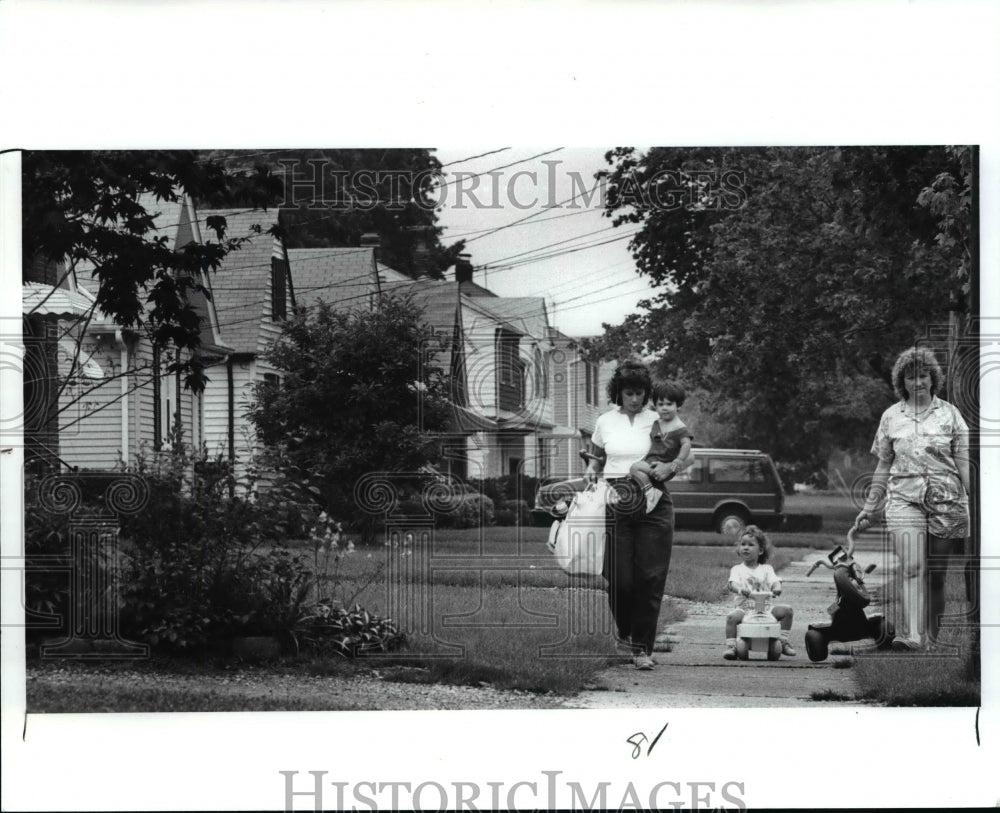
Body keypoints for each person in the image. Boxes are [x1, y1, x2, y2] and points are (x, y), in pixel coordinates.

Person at [855, 347, 970, 651]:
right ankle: (914, 637)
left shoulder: (950, 415)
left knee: (935, 574)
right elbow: (883, 464)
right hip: (903, 500)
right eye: (910, 377)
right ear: (901, 382)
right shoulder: (891, 417)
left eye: (922, 376)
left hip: (947, 501)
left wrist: (979, 501)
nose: (917, 382)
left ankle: (932, 638)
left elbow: (962, 461)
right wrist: (870, 505)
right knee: (912, 568)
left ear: (933, 379)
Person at [586, 361, 679, 671]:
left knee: (650, 578)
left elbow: (687, 452)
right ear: (618, 392)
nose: (636, 399)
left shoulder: (659, 420)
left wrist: (673, 467)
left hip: (654, 498)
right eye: (629, 393)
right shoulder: (604, 422)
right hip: (616, 499)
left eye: (640, 393)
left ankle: (641, 649)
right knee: (619, 578)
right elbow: (596, 459)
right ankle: (625, 632)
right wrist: (590, 471)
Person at [722, 525, 795, 659]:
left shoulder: (767, 569)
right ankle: (731, 647)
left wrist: (777, 588)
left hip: (766, 608)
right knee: (731, 618)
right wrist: (740, 589)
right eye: (743, 544)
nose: (745, 547)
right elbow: (732, 584)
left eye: (750, 545)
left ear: (760, 550)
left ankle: (783, 642)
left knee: (787, 611)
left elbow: (775, 581)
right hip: (744, 608)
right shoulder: (737, 569)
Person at [629, 380, 693, 513]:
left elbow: (686, 445)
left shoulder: (679, 427)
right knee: (637, 470)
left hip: (663, 465)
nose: (664, 407)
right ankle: (648, 490)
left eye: (669, 404)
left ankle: (651, 494)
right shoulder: (657, 423)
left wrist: (677, 462)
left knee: (635, 467)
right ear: (655, 406)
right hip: (652, 463)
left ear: (678, 406)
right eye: (661, 404)